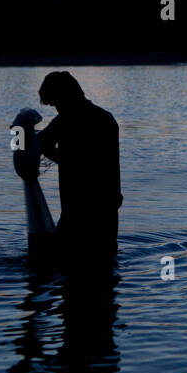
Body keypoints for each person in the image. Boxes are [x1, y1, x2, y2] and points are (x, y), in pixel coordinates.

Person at [37, 71, 122, 262]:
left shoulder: (67, 120)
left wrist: (20, 134)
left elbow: (40, 142)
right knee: (104, 265)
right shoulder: (106, 118)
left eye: (55, 103)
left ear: (65, 97)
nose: (56, 109)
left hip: (80, 211)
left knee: (66, 263)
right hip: (107, 208)